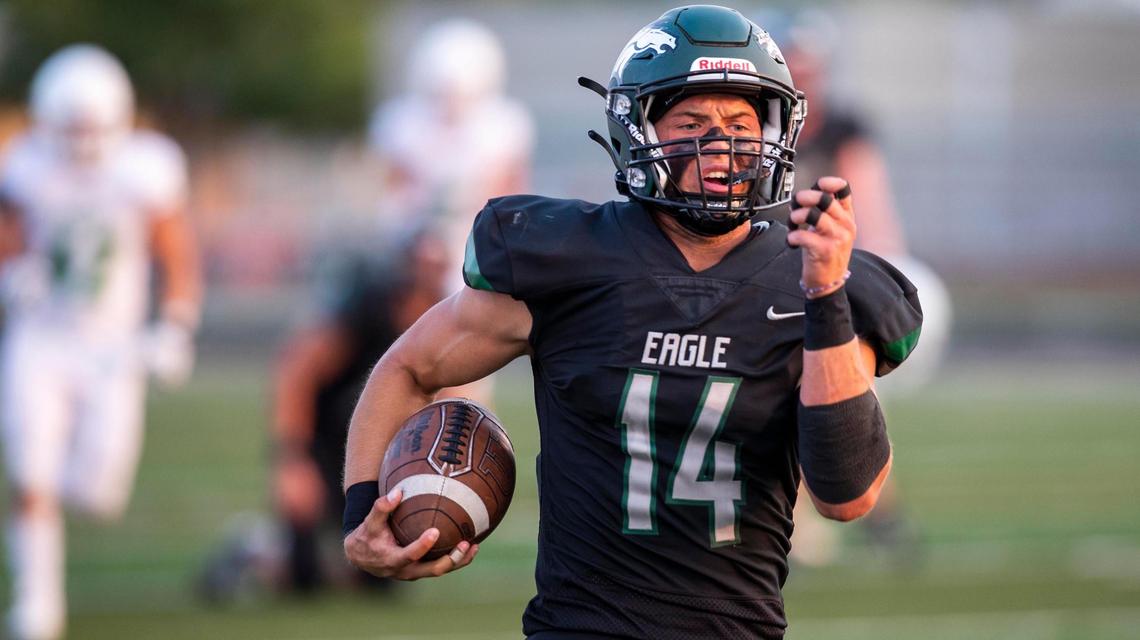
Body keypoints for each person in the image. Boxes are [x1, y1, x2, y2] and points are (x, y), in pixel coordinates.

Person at [342, 6, 922, 639]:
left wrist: (827, 295)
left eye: (740, 123)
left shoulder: (811, 279)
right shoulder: (568, 262)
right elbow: (409, 367)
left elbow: (846, 496)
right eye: (692, 123)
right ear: (638, 130)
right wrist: (361, 514)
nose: (721, 145)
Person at [0, 45, 201, 640]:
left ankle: (51, 500)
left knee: (98, 495)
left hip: (113, 349)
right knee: (30, 472)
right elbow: (8, 240)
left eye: (93, 126)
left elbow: (175, 252)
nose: (83, 141)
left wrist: (176, 326)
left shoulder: (145, 168)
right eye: (73, 127)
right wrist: (12, 274)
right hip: (41, 342)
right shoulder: (25, 165)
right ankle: (37, 605)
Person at [782, 10, 953, 567]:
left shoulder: (843, 128)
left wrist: (878, 277)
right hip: (774, 276)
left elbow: (871, 207)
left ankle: (876, 512)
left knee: (849, 395)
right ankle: (801, 526)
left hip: (831, 276)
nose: (803, 75)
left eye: (810, 64)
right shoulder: (760, 124)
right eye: (794, 63)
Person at [271, 227, 449, 595]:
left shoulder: (445, 319)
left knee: (379, 581)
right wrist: (293, 459)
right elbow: (298, 371)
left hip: (381, 446)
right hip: (325, 437)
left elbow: (454, 392)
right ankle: (256, 552)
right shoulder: (366, 311)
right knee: (303, 579)